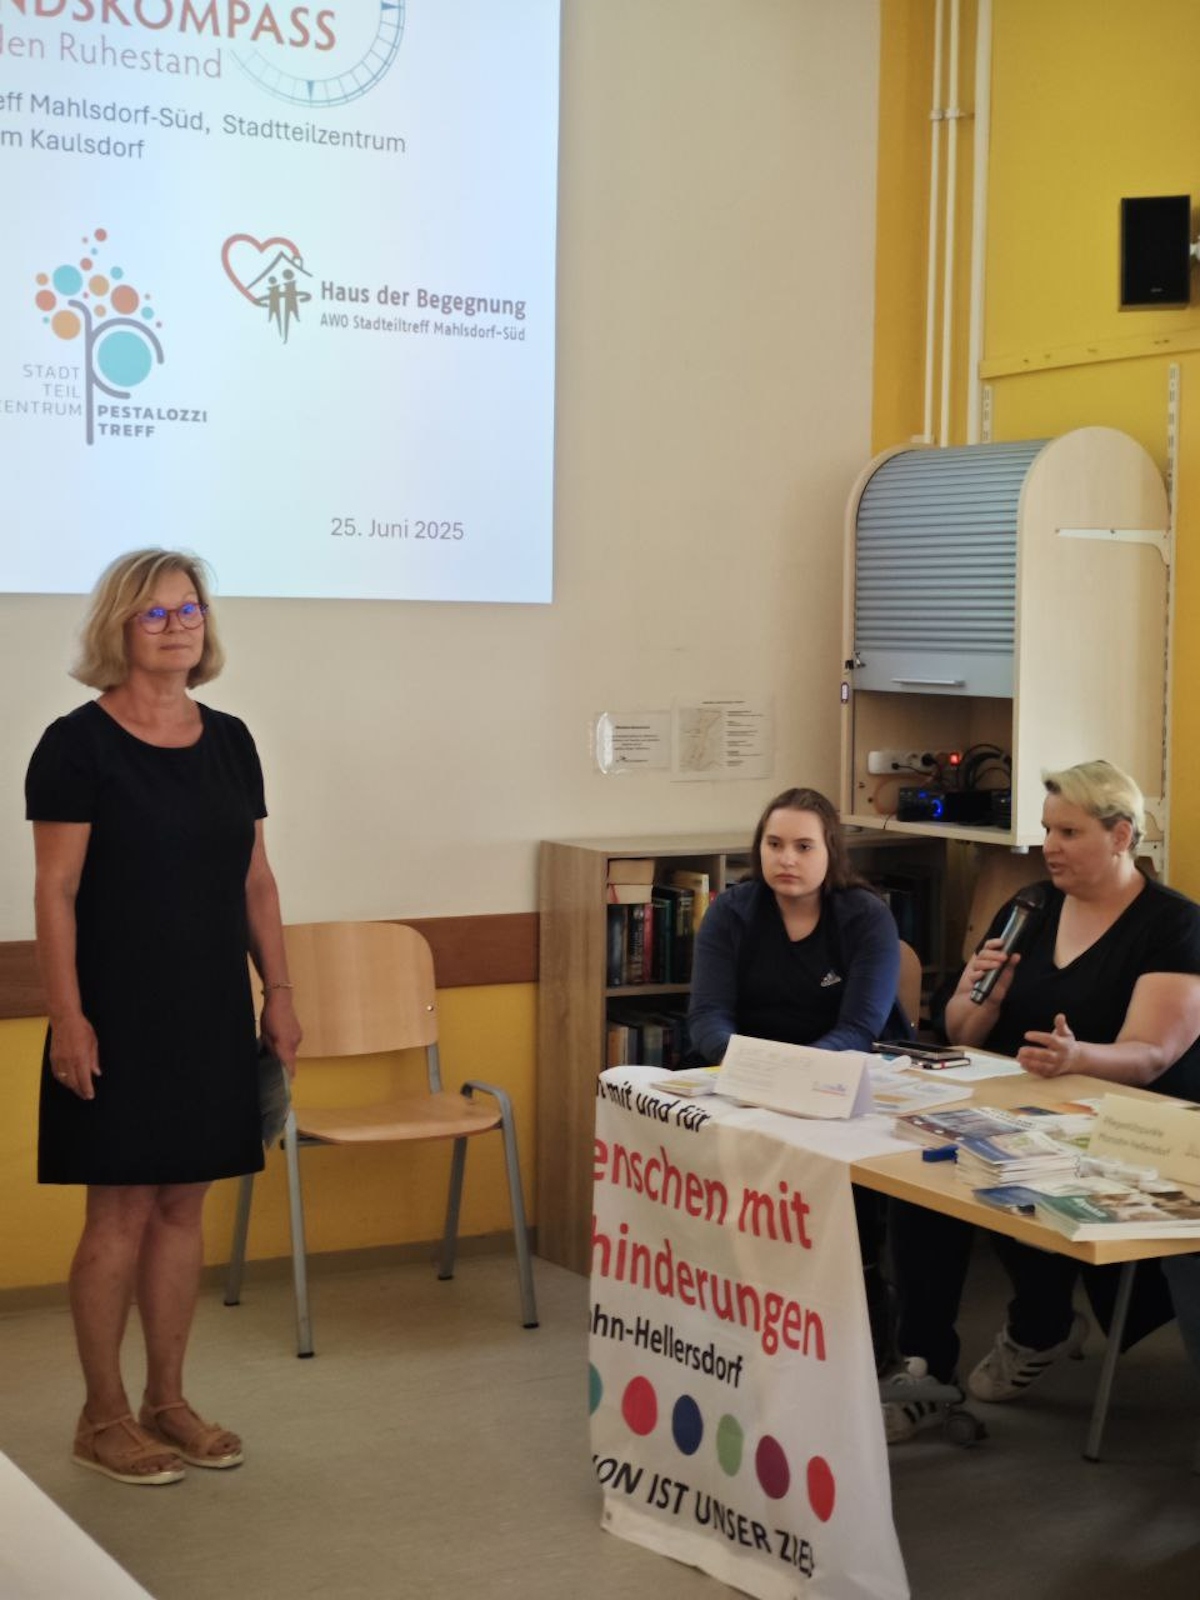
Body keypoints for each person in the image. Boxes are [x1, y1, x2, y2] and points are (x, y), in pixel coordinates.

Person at [26, 548, 302, 1486]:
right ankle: (100, 1416)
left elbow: (256, 880)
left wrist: (280, 994)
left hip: (210, 1012)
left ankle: (167, 1401)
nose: (179, 626)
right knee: (121, 1211)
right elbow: (55, 892)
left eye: (191, 610)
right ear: (119, 626)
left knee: (184, 1206)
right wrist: (67, 1017)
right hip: (113, 1012)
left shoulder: (231, 741)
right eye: (155, 613)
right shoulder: (76, 745)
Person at [883, 759, 1200, 1442]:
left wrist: (1078, 1058)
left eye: (1069, 832)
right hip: (1021, 1109)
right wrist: (982, 997)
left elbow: (1152, 1054)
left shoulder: (1174, 925)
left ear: (1121, 836)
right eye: (1047, 829)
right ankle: (925, 1366)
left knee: (1013, 1177)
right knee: (921, 1181)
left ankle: (1041, 1324)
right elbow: (961, 1032)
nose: (1048, 845)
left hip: (1129, 1127)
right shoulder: (1029, 906)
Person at [687, 786, 912, 1367]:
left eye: (804, 846)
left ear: (831, 851)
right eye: (774, 844)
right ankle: (738, 1336)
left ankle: (870, 1353)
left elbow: (860, 1027)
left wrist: (795, 1077)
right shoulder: (732, 912)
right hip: (749, 1083)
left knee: (845, 1213)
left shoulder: (865, 916)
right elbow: (707, 1015)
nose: (786, 859)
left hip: (844, 1085)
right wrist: (755, 1072)